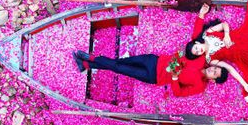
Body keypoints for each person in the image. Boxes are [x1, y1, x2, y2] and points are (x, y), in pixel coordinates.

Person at [72, 50, 228, 97]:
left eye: (214, 73)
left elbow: (178, 93)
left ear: (213, 80)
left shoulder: (199, 86)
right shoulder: (200, 60)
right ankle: (85, 64)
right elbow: (184, 53)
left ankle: (90, 58)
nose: (212, 70)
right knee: (120, 63)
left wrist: (174, 77)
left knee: (119, 67)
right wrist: (177, 58)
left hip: (152, 76)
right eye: (215, 68)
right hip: (154, 61)